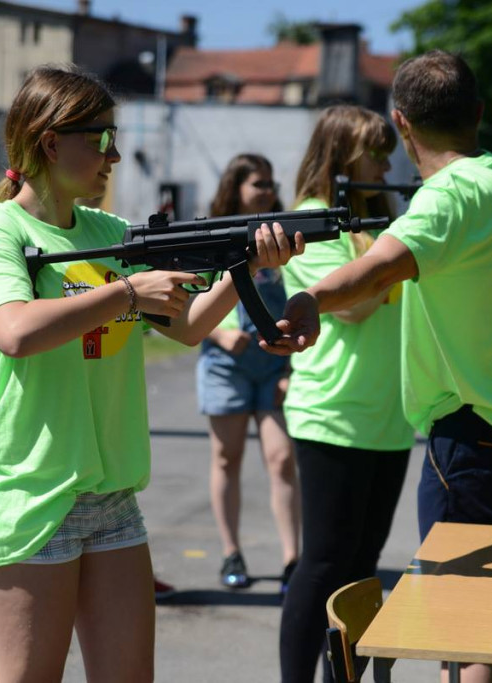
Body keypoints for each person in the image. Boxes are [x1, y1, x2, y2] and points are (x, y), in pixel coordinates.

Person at [0, 64, 302, 682]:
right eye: (101, 139)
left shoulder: (110, 233)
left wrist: (246, 263)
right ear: (50, 142)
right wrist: (127, 293)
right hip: (30, 497)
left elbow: (188, 325)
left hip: (113, 497)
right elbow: (13, 332)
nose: (114, 156)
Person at [264, 51, 492, 683]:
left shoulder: (446, 196)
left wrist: (310, 298)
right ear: (478, 113)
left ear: (402, 123)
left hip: (477, 438)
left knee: (468, 634)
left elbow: (379, 268)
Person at [277, 106, 414, 683]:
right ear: (340, 156)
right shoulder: (313, 220)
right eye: (374, 154)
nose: (385, 166)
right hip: (332, 413)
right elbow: (352, 306)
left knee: (361, 573)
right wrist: (395, 261)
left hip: (389, 418)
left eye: (388, 153)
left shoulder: (381, 227)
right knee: (323, 564)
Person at [197, 154, 300, 592]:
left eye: (271, 183)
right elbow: (184, 304)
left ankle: (293, 560)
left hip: (273, 364)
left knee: (281, 458)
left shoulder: (282, 237)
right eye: (258, 183)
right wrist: (219, 334)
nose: (267, 191)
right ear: (235, 187)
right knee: (227, 457)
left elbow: (301, 299)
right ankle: (231, 552)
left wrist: (291, 367)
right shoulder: (210, 234)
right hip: (225, 367)